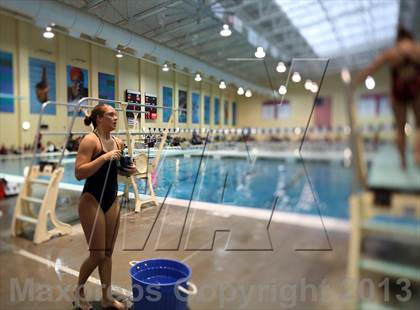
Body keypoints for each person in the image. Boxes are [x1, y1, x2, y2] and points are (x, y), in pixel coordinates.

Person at [74, 104, 136, 310]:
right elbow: (79, 173)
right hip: (92, 200)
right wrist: (103, 157)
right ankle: (79, 290)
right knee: (97, 254)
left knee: (108, 253)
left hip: (111, 200)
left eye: (116, 115)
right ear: (99, 119)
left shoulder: (118, 142)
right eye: (111, 115)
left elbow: (119, 171)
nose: (115, 118)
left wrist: (130, 170)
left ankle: (106, 297)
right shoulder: (90, 141)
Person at [353, 26, 420, 169]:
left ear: (398, 39)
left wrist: (355, 82)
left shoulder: (393, 52)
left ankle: (403, 162)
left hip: (399, 90)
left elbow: (372, 68)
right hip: (416, 89)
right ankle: (417, 155)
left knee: (400, 130)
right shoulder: (416, 48)